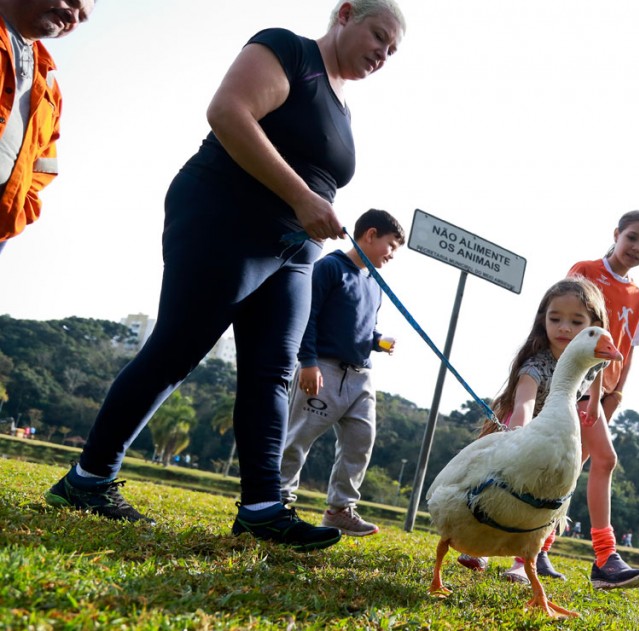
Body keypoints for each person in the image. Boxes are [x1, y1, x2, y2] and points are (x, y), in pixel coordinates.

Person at [43, 0, 406, 552]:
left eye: (392, 50)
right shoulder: (289, 50)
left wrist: (309, 213)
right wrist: (302, 197)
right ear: (346, 14)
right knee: (177, 348)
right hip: (225, 215)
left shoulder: (344, 107)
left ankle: (262, 508)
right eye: (379, 36)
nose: (383, 53)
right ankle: (88, 479)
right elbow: (227, 112)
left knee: (273, 371)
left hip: (293, 249)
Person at [458, 277, 609, 584]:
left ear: (594, 324)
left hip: (553, 441)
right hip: (522, 434)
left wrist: (593, 406)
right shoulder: (537, 364)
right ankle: (480, 549)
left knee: (545, 500)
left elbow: (596, 375)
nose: (564, 328)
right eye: (556, 319)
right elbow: (524, 402)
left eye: (576, 321)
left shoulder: (588, 357)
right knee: (495, 491)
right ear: (543, 320)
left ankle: (522, 563)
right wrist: (517, 436)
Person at [279, 209, 404, 536]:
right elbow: (308, 315)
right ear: (371, 234)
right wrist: (308, 362)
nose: (392, 255)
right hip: (323, 368)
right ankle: (276, 501)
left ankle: (339, 509)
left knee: (361, 442)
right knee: (298, 438)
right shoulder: (330, 268)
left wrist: (379, 341)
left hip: (361, 376)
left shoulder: (375, 285)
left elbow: (364, 327)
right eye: (391, 245)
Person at [568, 209, 639, 590]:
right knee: (601, 460)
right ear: (616, 233)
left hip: (604, 392)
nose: (637, 247)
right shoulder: (584, 270)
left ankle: (540, 548)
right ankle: (605, 557)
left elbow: (631, 348)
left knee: (571, 469)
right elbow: (562, 323)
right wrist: (585, 387)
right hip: (571, 383)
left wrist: (616, 391)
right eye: (632, 238)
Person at [0, 0, 95, 254]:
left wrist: (17, 213)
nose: (72, 18)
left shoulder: (49, 86)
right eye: (73, 2)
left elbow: (42, 168)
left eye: (81, 18)